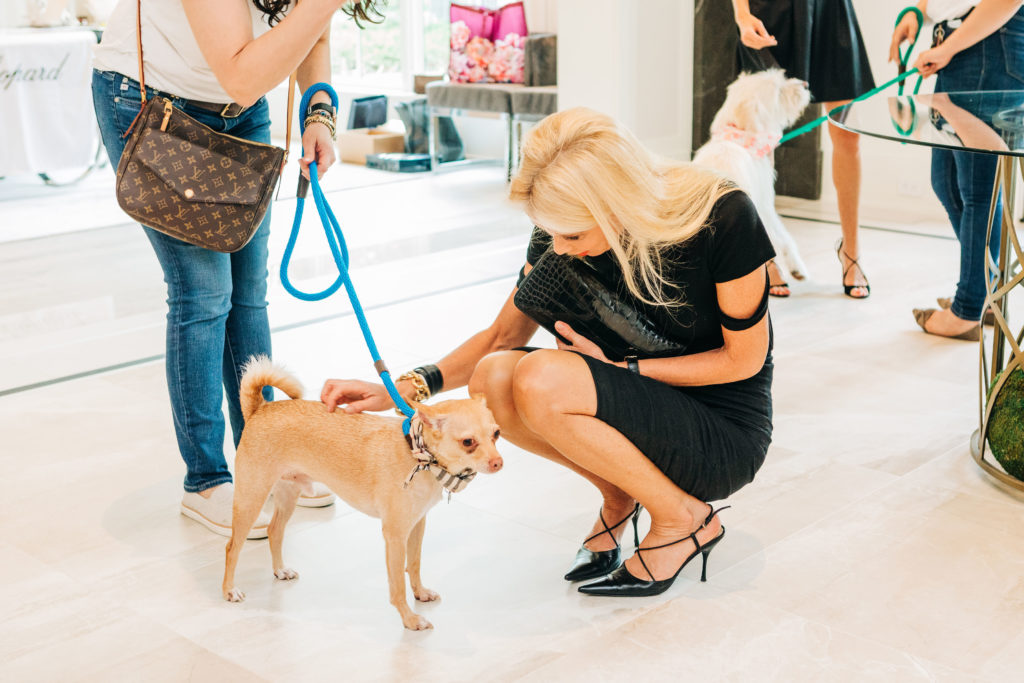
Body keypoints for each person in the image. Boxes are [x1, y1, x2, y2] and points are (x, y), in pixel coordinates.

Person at [321, 108, 775, 596]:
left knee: (541, 377)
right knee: (493, 379)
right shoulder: (563, 227)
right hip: (639, 404)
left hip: (721, 433)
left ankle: (682, 518)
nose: (557, 249)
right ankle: (623, 491)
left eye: (572, 235)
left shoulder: (722, 217)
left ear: (617, 206)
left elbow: (741, 360)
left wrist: (623, 368)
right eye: (550, 232)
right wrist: (401, 388)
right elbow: (500, 338)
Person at [91, 0, 382, 537]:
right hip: (154, 105)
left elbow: (310, 35)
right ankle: (205, 480)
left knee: (248, 292)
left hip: (238, 111)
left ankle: (266, 453)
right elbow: (244, 73)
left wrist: (319, 114)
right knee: (202, 294)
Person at [891, 0, 1024, 340]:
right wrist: (918, 14)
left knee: (977, 192)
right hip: (964, 47)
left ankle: (968, 308)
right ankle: (985, 294)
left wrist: (949, 46)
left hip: (986, 47)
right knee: (946, 181)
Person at [732, 0, 873, 299]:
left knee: (848, 136)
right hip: (771, 13)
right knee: (760, 139)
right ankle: (764, 257)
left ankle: (852, 252)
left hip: (830, 13)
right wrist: (742, 15)